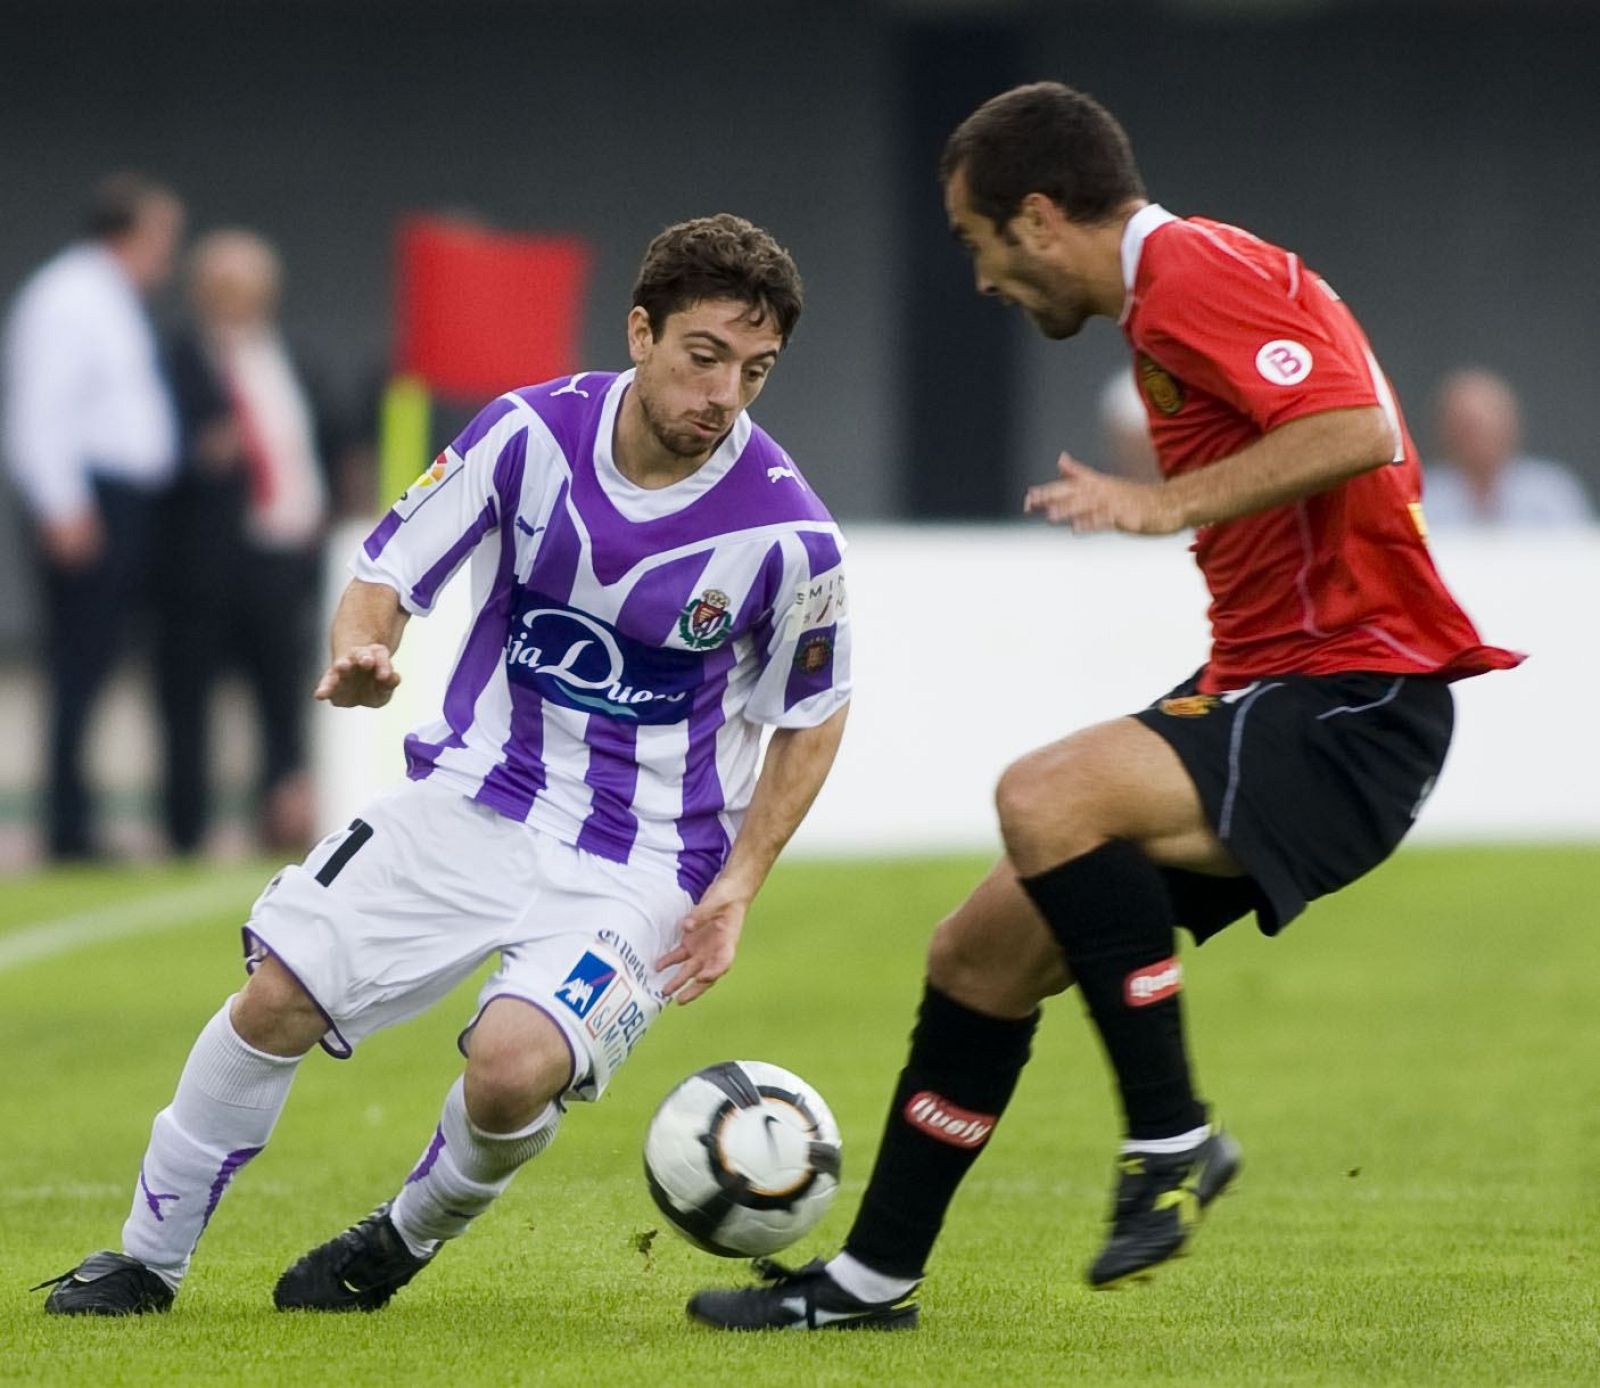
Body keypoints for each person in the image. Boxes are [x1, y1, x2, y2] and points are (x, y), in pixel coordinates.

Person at [689, 81, 1521, 1332]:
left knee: (1045, 793)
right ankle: (868, 1285)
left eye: (976, 243)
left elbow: (1354, 423)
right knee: (976, 953)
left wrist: (1166, 504)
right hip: (1272, 689)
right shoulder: (1166, 302)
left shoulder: (1187, 269)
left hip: (1355, 695)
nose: (980, 278)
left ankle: (1171, 1138)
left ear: (1036, 216)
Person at [37, 213, 852, 1316]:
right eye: (704, 357)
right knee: (274, 996)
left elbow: (811, 716)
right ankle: (145, 1256)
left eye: (754, 371)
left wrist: (738, 884)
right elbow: (386, 566)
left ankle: (402, 1236)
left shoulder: (792, 537)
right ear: (641, 331)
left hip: (644, 859)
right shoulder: (524, 434)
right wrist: (363, 650)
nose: (725, 395)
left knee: (514, 1067)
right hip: (475, 796)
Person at [2, 173, 184, 860]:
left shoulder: (109, 299)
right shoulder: (68, 297)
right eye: (162, 234)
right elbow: (39, 412)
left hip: (121, 501)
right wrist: (64, 506)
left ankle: (77, 817)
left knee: (98, 660)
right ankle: (67, 827)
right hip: (89, 502)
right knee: (78, 662)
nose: (169, 251)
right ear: (130, 233)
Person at [154, 229, 334, 857]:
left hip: (282, 558)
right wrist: (197, 452)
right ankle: (185, 833)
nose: (241, 302)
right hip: (202, 564)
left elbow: (321, 441)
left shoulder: (290, 357)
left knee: (282, 700)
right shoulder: (172, 359)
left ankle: (277, 830)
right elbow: (148, 448)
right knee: (188, 702)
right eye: (227, 289)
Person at [1423, 368, 1594, 528]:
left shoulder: (1552, 492)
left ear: (1510, 425)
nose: (1478, 437)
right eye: (1467, 426)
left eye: (1487, 424)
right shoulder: (1424, 497)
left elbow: (1578, 552)